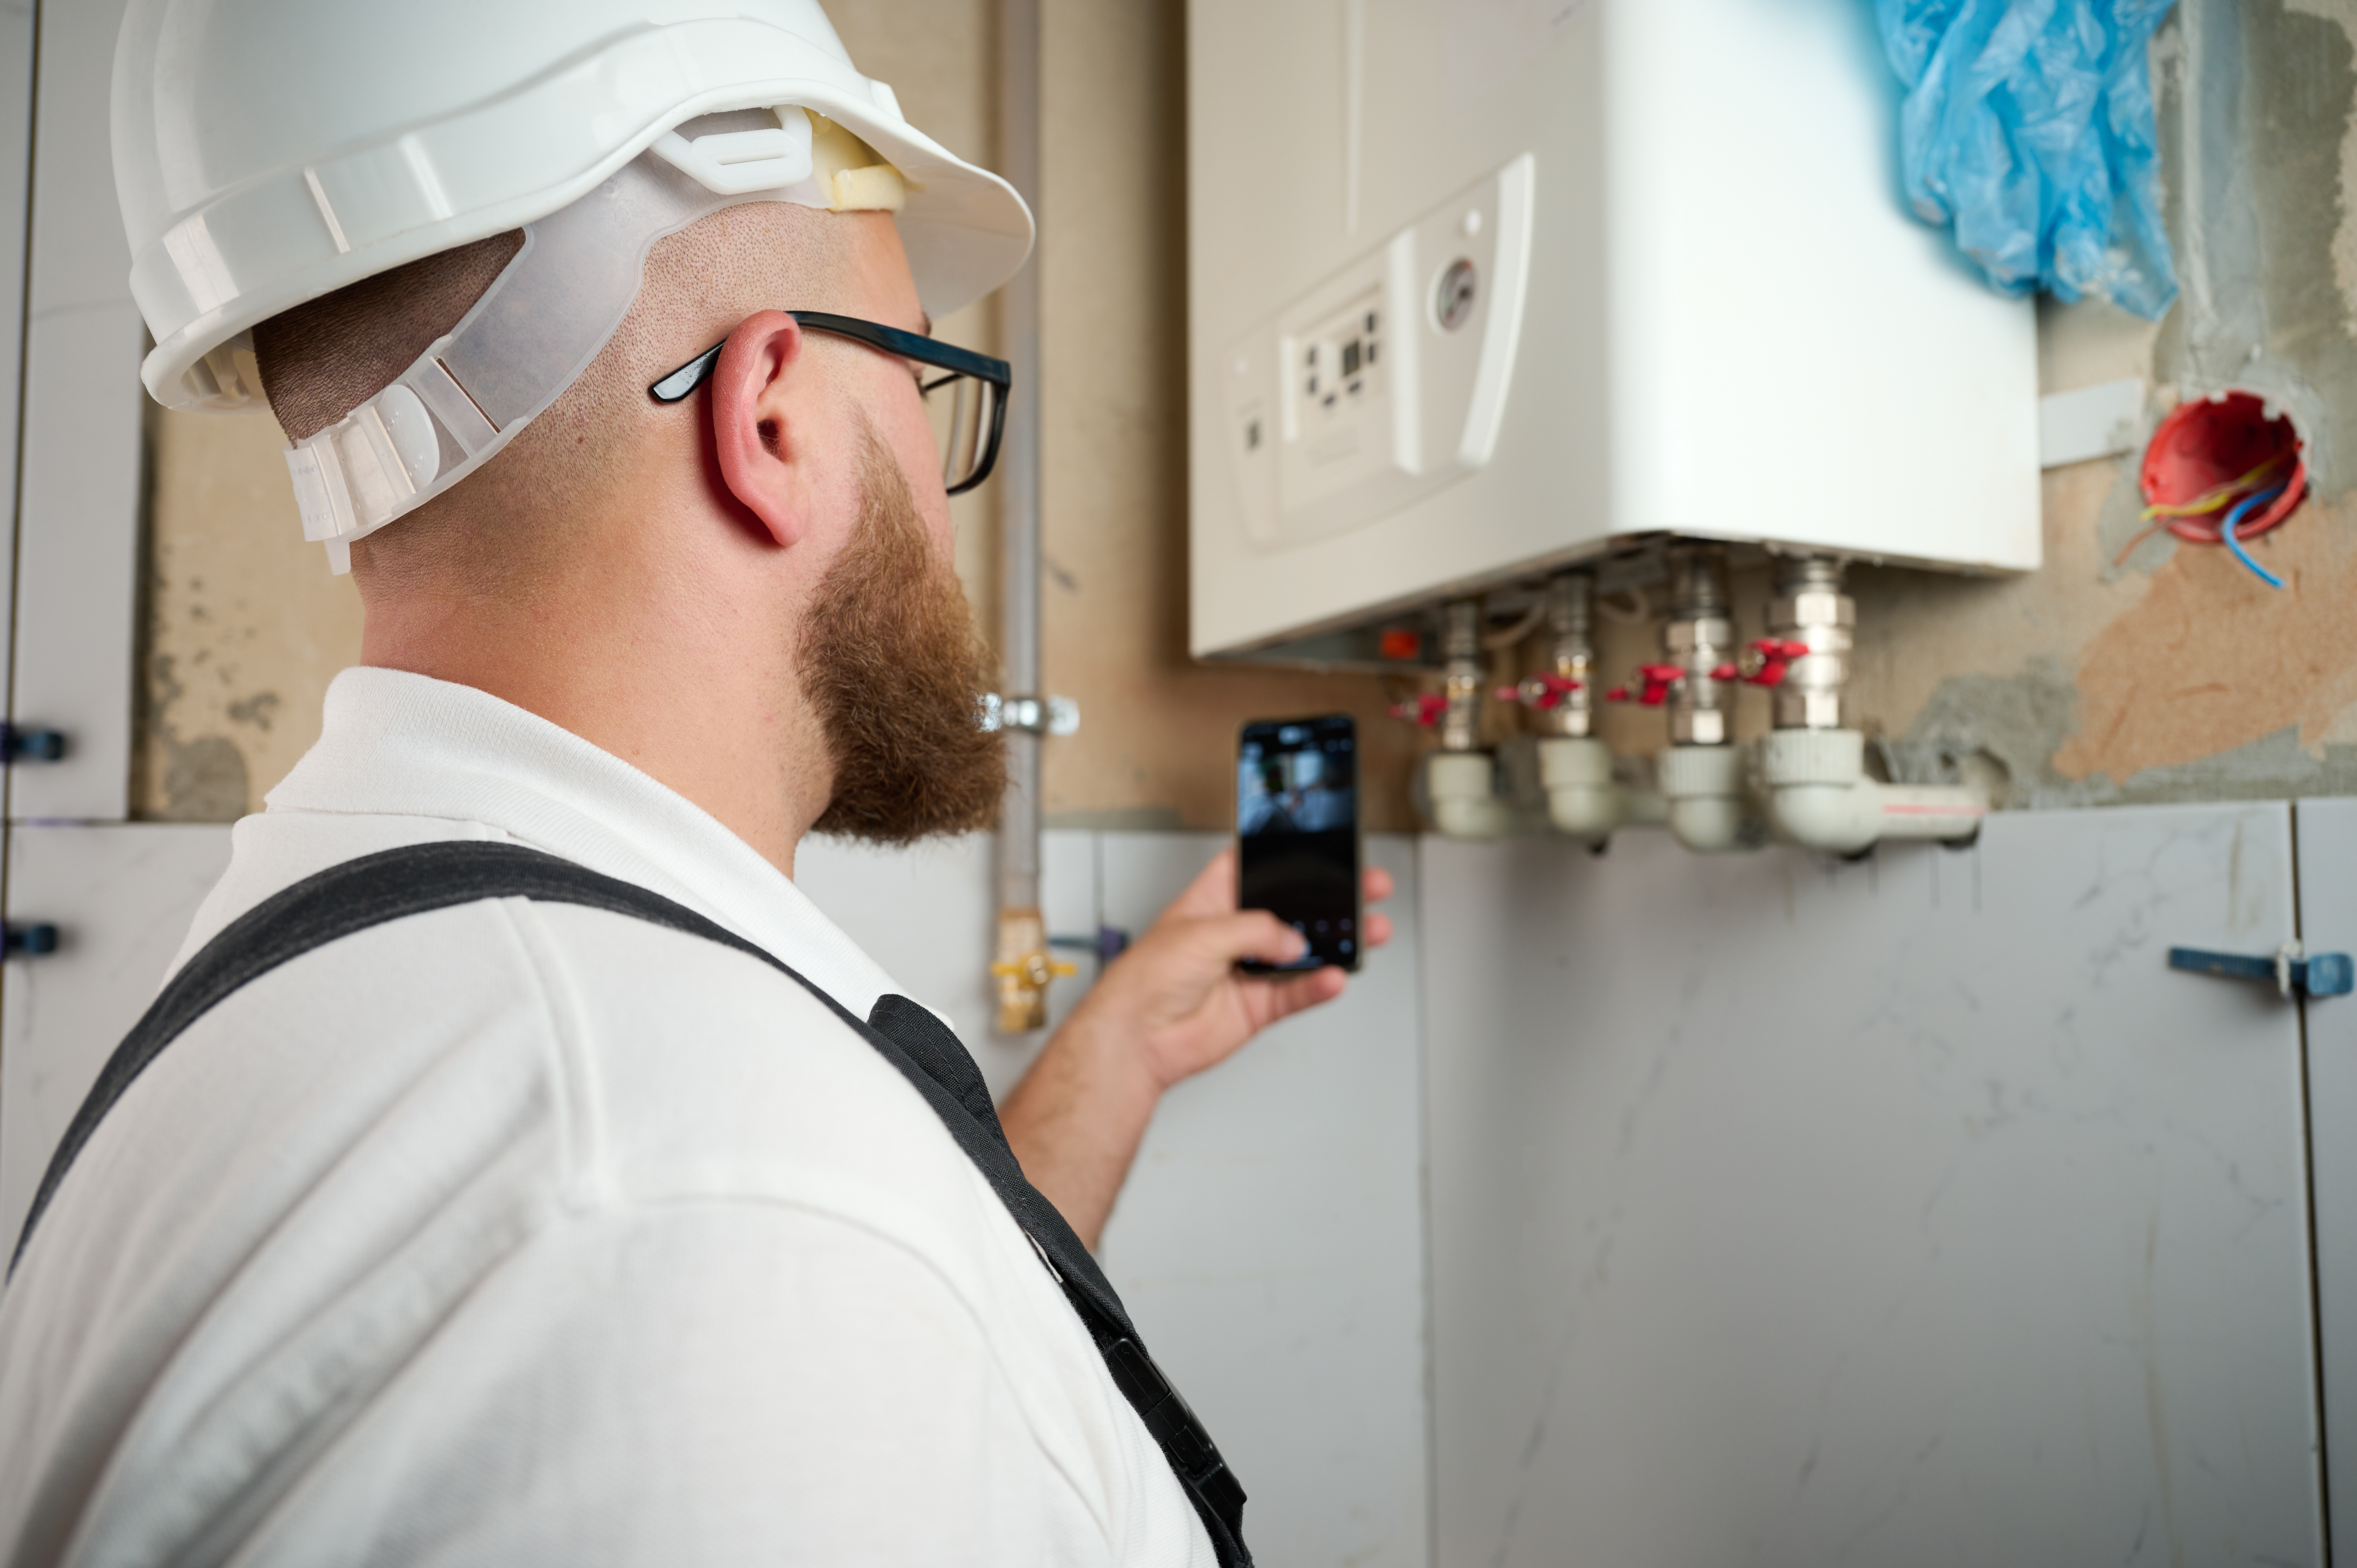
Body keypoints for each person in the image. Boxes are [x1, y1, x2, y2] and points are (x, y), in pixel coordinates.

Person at [0, 3, 1391, 1563]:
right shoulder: (700, 1204)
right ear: (775, 417)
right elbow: (747, 1242)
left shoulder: (350, 951)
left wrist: (1113, 1059)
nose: (940, 499)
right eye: (926, 391)